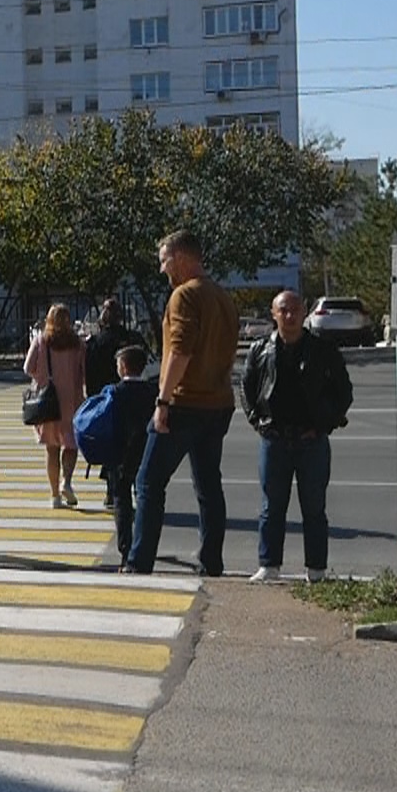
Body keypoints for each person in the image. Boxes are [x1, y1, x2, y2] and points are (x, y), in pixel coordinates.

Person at [126, 229, 241, 576]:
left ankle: (138, 562)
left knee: (147, 482)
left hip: (183, 403)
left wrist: (162, 401)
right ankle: (212, 562)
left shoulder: (184, 296)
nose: (163, 270)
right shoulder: (222, 296)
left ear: (181, 257)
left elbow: (180, 351)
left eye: (164, 261)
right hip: (218, 403)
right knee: (208, 485)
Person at [242, 289, 354, 583]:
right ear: (274, 314)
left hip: (311, 441)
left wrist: (323, 425)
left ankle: (316, 570)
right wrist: (259, 422)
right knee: (271, 506)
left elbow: (343, 391)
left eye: (295, 310)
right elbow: (247, 389)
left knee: (314, 508)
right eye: (284, 310)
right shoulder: (260, 349)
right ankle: (269, 565)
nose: (289, 316)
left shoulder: (322, 350)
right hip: (274, 439)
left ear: (305, 313)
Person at [82, 298, 149, 509]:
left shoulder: (95, 343)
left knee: (113, 449)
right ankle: (139, 493)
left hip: (108, 401)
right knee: (137, 448)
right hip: (136, 399)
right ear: (121, 317)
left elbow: (89, 376)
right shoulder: (131, 338)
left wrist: (94, 401)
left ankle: (112, 492)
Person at [24, 304, 88, 509]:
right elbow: (84, 371)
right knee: (71, 445)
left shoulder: (41, 340)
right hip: (72, 400)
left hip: (48, 401)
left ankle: (54, 496)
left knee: (52, 449)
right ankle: (66, 482)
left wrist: (42, 379)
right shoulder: (77, 343)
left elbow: (27, 368)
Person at [105, 344, 159, 564]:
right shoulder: (152, 391)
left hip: (120, 453)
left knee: (121, 500)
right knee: (145, 498)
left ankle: (125, 547)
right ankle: (144, 546)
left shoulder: (115, 392)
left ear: (124, 367)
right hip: (146, 450)